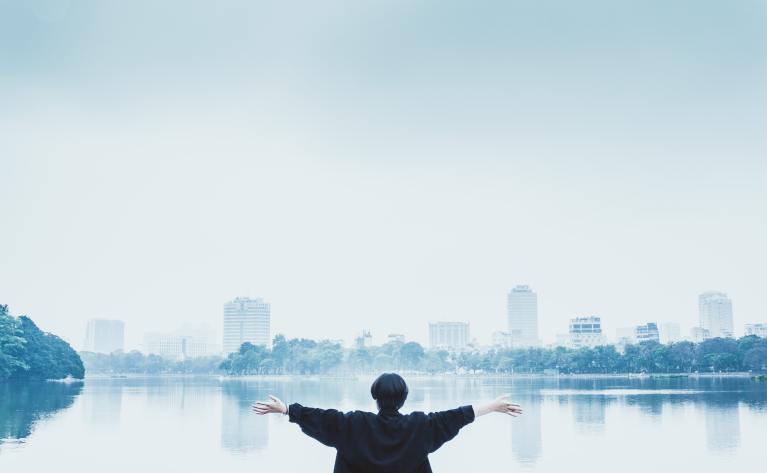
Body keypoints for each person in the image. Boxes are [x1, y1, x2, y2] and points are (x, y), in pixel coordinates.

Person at [252, 372, 523, 473]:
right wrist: (493, 406)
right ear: (404, 398)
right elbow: (458, 415)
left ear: (375, 397)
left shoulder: (352, 425)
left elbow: (320, 417)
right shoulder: (421, 427)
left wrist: (286, 409)